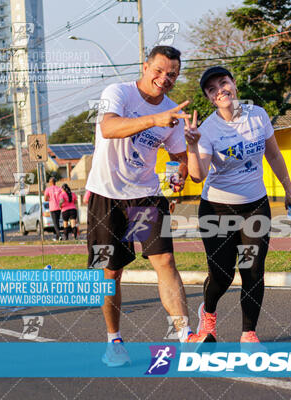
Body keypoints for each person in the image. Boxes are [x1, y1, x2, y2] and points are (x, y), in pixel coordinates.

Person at [85, 45, 207, 368]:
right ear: (145, 66)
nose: (164, 78)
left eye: (172, 75)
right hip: (107, 194)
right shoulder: (119, 93)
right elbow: (108, 128)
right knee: (111, 272)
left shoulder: (173, 113)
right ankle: (114, 341)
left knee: (165, 259)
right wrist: (155, 119)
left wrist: (181, 172)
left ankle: (186, 336)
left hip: (147, 194)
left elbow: (181, 158)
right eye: (159, 70)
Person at [185, 66, 291, 343]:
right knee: (222, 275)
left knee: (252, 270)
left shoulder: (258, 115)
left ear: (234, 84)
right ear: (210, 98)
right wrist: (192, 146)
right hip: (217, 208)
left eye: (223, 83)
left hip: (254, 207)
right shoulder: (207, 130)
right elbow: (198, 174)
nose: (220, 90)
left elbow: (274, 155)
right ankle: (209, 314)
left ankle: (248, 334)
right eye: (212, 89)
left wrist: (289, 191)